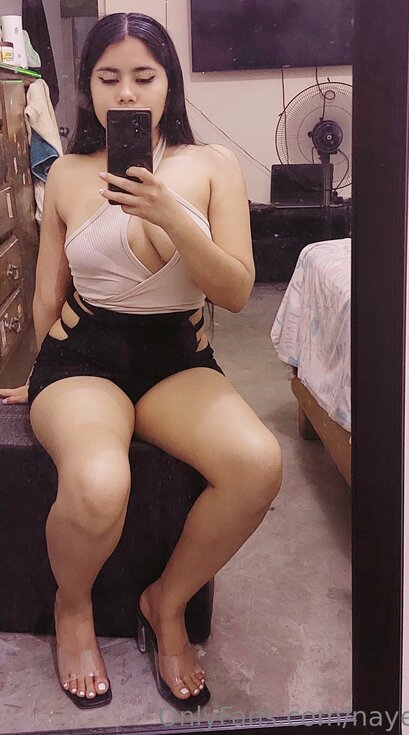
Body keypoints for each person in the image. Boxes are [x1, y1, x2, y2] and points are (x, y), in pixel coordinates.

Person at [0, 13, 282, 712]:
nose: (126, 93)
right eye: (108, 78)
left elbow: (236, 293)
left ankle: (167, 601)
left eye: (143, 76)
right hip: (82, 360)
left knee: (258, 465)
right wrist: (33, 377)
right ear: (88, 88)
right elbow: (47, 294)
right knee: (99, 483)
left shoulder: (213, 165)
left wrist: (173, 215)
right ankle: (73, 607)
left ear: (169, 84)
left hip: (176, 360)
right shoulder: (67, 173)